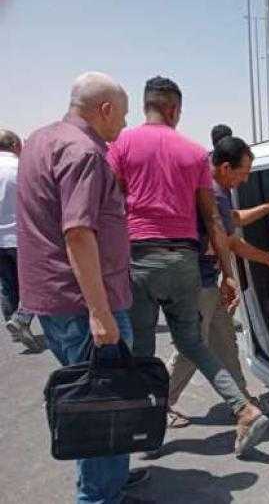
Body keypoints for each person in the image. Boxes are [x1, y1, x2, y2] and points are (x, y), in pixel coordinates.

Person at [106, 76, 268, 456]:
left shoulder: (121, 145)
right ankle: (244, 409)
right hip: (184, 262)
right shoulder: (194, 153)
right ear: (174, 109)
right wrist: (228, 274)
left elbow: (110, 205)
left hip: (140, 258)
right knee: (193, 343)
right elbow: (213, 221)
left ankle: (146, 433)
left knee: (143, 351)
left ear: (146, 105)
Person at [16, 72, 144, 504]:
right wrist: (100, 313)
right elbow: (78, 233)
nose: (123, 124)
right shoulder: (84, 151)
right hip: (84, 303)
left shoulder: (40, 140)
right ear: (104, 109)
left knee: (95, 398)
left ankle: (109, 481)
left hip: (54, 298)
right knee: (102, 403)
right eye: (122, 115)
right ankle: (100, 495)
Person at [166, 133, 269, 427]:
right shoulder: (215, 191)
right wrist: (268, 259)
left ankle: (243, 402)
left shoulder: (214, 189)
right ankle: (158, 405)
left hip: (207, 281)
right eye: (243, 173)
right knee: (190, 349)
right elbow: (233, 242)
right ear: (224, 167)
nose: (245, 180)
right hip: (196, 283)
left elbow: (233, 218)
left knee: (225, 341)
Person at [0, 129, 40, 351]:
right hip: (21, 236)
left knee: (7, 285)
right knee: (35, 282)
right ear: (15, 145)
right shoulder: (21, 168)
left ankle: (14, 323)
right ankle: (21, 319)